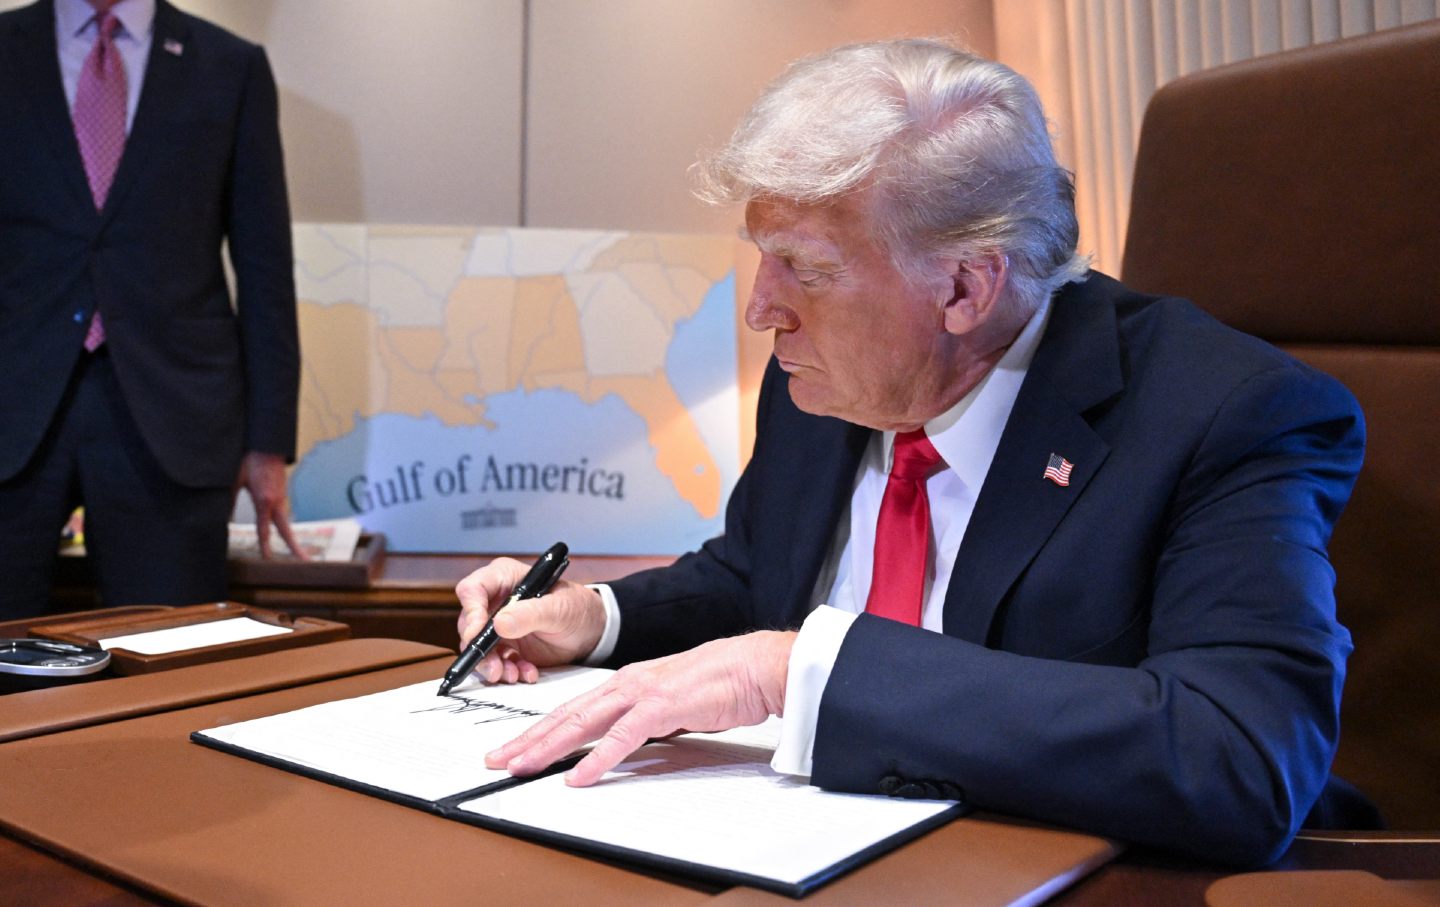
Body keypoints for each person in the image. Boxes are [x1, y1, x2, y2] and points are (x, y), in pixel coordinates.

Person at [452, 38, 1367, 865]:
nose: (761, 309)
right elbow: (754, 576)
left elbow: (1240, 756)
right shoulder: (822, 375)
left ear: (966, 287)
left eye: (805, 268)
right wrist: (596, 616)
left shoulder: (1228, 414)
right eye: (761, 258)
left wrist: (790, 669)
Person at [0, 0, 302, 620]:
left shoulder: (229, 66)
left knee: (166, 661)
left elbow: (265, 267)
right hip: (11, 406)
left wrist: (267, 445)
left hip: (175, 421)